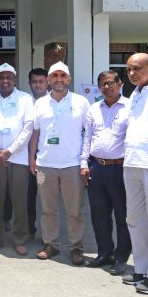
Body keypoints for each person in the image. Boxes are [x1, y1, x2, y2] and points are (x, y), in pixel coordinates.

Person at [28, 61, 90, 265]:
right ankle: (51, 244)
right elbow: (35, 133)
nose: (58, 79)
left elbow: (88, 134)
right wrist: (32, 158)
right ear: (48, 80)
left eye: (63, 76)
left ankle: (76, 248)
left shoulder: (81, 102)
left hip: (72, 164)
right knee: (48, 209)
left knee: (74, 210)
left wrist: (84, 161)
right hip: (46, 164)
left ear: (69, 79)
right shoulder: (40, 104)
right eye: (54, 76)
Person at [80, 70, 131, 275]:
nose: (106, 87)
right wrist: (84, 163)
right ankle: (104, 253)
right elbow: (87, 138)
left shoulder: (130, 106)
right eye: (102, 84)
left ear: (120, 84)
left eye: (110, 83)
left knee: (122, 215)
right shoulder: (94, 108)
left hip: (120, 168)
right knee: (99, 215)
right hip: (96, 168)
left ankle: (121, 257)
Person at [0, 63, 34, 255]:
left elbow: (28, 128)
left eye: (8, 77)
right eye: (1, 77)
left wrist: (9, 151)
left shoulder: (25, 99)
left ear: (14, 79)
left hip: (18, 157)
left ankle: (20, 238)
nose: (5, 81)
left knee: (19, 199)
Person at [121, 53, 148, 295]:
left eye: (137, 68)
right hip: (132, 162)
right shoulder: (134, 94)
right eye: (129, 70)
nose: (132, 73)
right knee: (134, 220)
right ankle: (142, 269)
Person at [26, 67, 49, 239]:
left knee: (45, 197)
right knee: (27, 196)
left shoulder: (53, 102)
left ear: (47, 82)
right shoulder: (24, 102)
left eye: (41, 81)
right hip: (24, 159)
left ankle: (46, 233)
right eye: (34, 81)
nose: (38, 85)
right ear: (29, 83)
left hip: (46, 160)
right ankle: (29, 229)